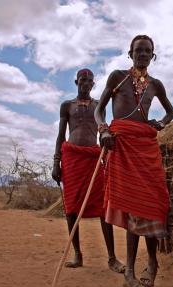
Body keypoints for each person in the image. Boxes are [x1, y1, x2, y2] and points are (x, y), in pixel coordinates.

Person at [94, 35, 173, 287]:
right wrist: (103, 129)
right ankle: (129, 270)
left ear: (153, 55)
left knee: (153, 203)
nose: (142, 54)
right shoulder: (117, 77)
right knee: (132, 205)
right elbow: (99, 108)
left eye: (147, 51)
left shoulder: (156, 85)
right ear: (130, 53)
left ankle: (151, 262)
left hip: (145, 148)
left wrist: (160, 123)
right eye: (138, 50)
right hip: (122, 147)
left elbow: (170, 112)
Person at [52, 68, 125, 273]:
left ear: (93, 84)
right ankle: (77, 254)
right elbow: (60, 135)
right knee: (71, 208)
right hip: (71, 159)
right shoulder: (67, 106)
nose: (86, 83)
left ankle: (112, 258)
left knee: (102, 206)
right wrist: (56, 162)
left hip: (93, 158)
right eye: (82, 79)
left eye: (89, 80)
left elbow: (103, 130)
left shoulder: (97, 106)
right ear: (76, 82)